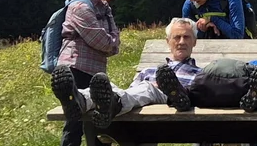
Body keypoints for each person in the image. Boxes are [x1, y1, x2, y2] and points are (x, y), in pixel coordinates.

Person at [48, 0, 124, 146]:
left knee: (101, 114)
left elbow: (114, 41)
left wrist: (111, 42)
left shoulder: (104, 7)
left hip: (95, 70)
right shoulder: (80, 7)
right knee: (75, 119)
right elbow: (103, 41)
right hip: (75, 68)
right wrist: (111, 42)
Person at [77, 17, 205, 127]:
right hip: (142, 112)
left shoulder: (201, 74)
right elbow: (131, 92)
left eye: (186, 37)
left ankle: (115, 103)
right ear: (168, 42)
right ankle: (79, 100)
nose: (182, 42)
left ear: (194, 42)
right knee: (109, 88)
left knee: (148, 87)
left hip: (172, 105)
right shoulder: (149, 71)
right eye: (177, 37)